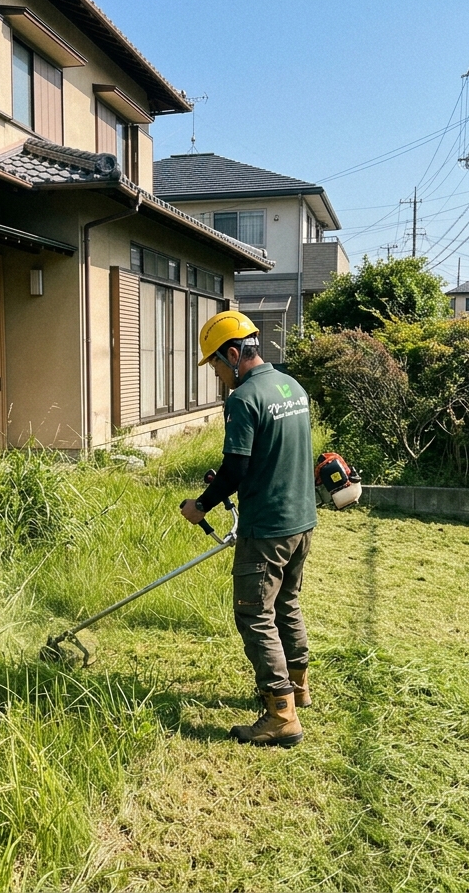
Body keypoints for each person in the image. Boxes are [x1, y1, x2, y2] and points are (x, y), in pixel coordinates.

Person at [180, 310, 317, 748]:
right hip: (301, 520)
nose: (218, 376)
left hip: (268, 527)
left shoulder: (242, 399)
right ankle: (298, 687)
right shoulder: (291, 386)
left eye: (217, 366)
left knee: (255, 614)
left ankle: (280, 715)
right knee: (286, 604)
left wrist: (201, 506)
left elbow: (236, 468)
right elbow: (270, 456)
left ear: (235, 354)